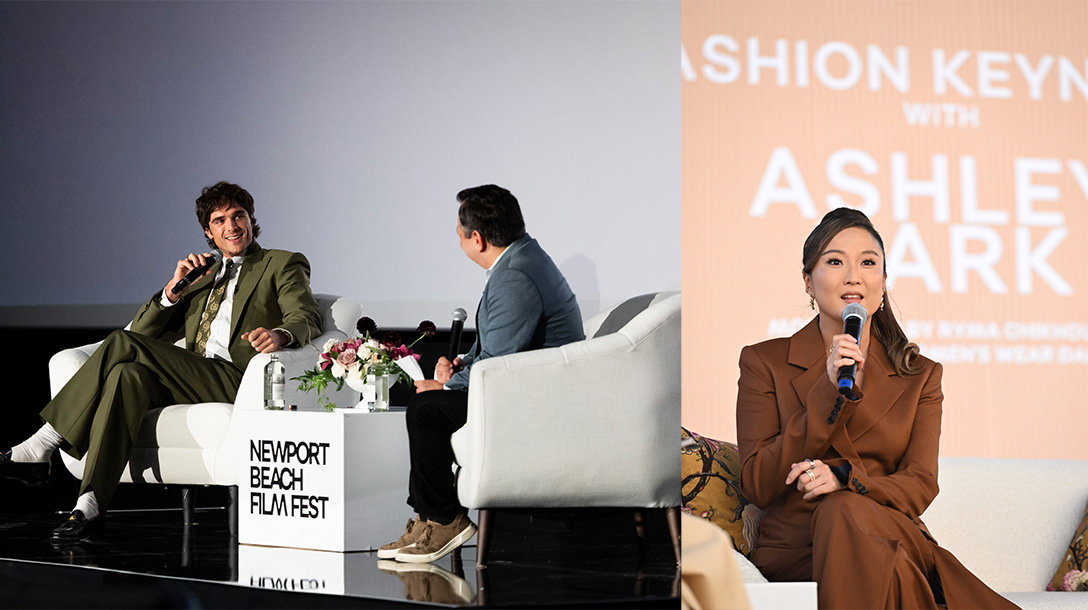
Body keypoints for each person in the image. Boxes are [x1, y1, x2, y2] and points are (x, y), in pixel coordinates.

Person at [0, 181, 323, 541]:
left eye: (239, 216)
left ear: (251, 219)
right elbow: (143, 332)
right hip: (188, 375)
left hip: (235, 379)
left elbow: (306, 316)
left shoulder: (280, 262)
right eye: (220, 221)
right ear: (208, 231)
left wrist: (280, 334)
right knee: (126, 374)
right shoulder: (200, 276)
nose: (232, 227)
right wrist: (172, 291)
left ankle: (45, 440)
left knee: (121, 344)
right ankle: (88, 503)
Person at [736, 208, 1016, 609]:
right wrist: (826, 391)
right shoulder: (764, 362)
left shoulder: (920, 375)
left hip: (889, 530)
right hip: (802, 549)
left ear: (882, 283)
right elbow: (757, 483)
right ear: (808, 282)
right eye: (835, 262)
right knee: (843, 517)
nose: (854, 276)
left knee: (844, 506)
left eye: (868, 263)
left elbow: (920, 484)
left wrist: (845, 478)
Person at [379, 184, 584, 563]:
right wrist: (460, 366)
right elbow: (496, 347)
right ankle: (427, 519)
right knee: (431, 404)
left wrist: (444, 384)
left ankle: (444, 520)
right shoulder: (521, 259)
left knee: (427, 409)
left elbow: (498, 363)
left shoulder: (516, 275)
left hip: (533, 398)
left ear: (477, 238)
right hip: (523, 386)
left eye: (458, 234)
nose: (458, 241)